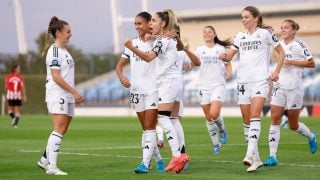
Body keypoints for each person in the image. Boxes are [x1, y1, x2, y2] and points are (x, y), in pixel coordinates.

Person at [124, 9, 190, 174]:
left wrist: (131, 47)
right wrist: (155, 37)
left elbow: (148, 57)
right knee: (172, 119)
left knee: (163, 118)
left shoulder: (163, 40)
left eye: (153, 20)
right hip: (172, 81)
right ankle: (180, 155)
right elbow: (171, 43)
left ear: (162, 23)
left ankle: (177, 155)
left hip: (167, 81)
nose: (151, 23)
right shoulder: (166, 38)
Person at [219, 6, 285, 172]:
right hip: (243, 82)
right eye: (242, 17)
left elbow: (281, 52)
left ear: (256, 18)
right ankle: (256, 160)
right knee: (246, 121)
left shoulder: (265, 34)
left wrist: (276, 71)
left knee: (255, 115)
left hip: (260, 80)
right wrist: (223, 56)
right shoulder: (239, 36)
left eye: (247, 17)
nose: (243, 20)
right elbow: (229, 56)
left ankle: (249, 154)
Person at [116, 11, 165, 174]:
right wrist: (121, 76)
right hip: (136, 91)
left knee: (150, 127)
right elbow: (119, 65)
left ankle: (144, 164)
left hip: (153, 89)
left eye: (139, 23)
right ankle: (158, 160)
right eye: (135, 24)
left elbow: (149, 57)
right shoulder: (132, 43)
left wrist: (131, 47)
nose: (137, 26)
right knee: (146, 129)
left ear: (148, 23)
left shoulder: (156, 42)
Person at [263, 19, 317, 166]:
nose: (283, 30)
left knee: (293, 125)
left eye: (286, 27)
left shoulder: (300, 44)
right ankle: (272, 156)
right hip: (279, 86)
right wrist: (273, 74)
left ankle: (311, 136)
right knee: (275, 119)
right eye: (282, 28)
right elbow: (278, 62)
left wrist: (293, 62)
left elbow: (312, 63)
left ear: (294, 30)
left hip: (294, 88)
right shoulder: (279, 45)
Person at [37, 16, 85, 175]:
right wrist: (75, 92)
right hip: (57, 94)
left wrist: (72, 94)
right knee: (59, 128)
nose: (71, 34)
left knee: (62, 129)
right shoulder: (55, 50)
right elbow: (56, 76)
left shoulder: (64, 50)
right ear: (58, 33)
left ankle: (44, 160)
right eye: (68, 31)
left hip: (66, 95)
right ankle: (51, 167)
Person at [195, 25, 232, 154]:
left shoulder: (220, 49)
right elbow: (194, 62)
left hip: (217, 85)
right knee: (209, 118)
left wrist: (228, 73)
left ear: (214, 34)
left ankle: (222, 129)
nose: (207, 34)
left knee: (214, 114)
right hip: (203, 86)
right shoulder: (199, 50)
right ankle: (216, 144)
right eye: (204, 32)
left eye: (209, 32)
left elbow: (228, 63)